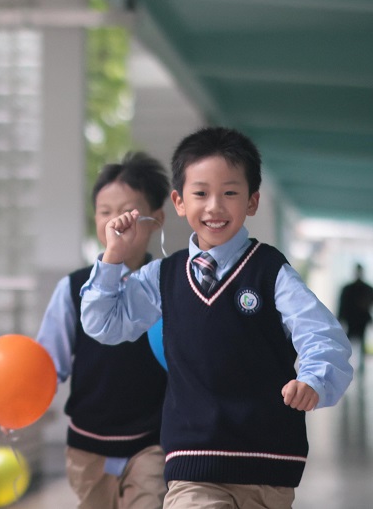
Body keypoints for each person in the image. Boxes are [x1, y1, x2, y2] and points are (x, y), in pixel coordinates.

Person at [80, 126, 353, 509]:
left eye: (229, 193)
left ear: (252, 201)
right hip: (192, 462)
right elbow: (104, 324)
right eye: (201, 193)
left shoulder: (270, 270)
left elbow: (322, 335)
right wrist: (112, 258)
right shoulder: (163, 276)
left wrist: (313, 379)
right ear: (179, 201)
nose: (214, 206)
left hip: (268, 464)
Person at [36, 151, 169, 509]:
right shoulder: (73, 287)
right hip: (87, 444)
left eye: (126, 212)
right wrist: (22, 407)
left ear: (156, 218)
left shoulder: (168, 286)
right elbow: (48, 361)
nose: (115, 222)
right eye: (105, 212)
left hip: (152, 440)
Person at [338, 263, 373, 373]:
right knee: (351, 343)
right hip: (354, 320)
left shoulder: (350, 289)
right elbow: (342, 305)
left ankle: (349, 365)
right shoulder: (365, 289)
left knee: (353, 343)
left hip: (357, 320)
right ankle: (348, 364)